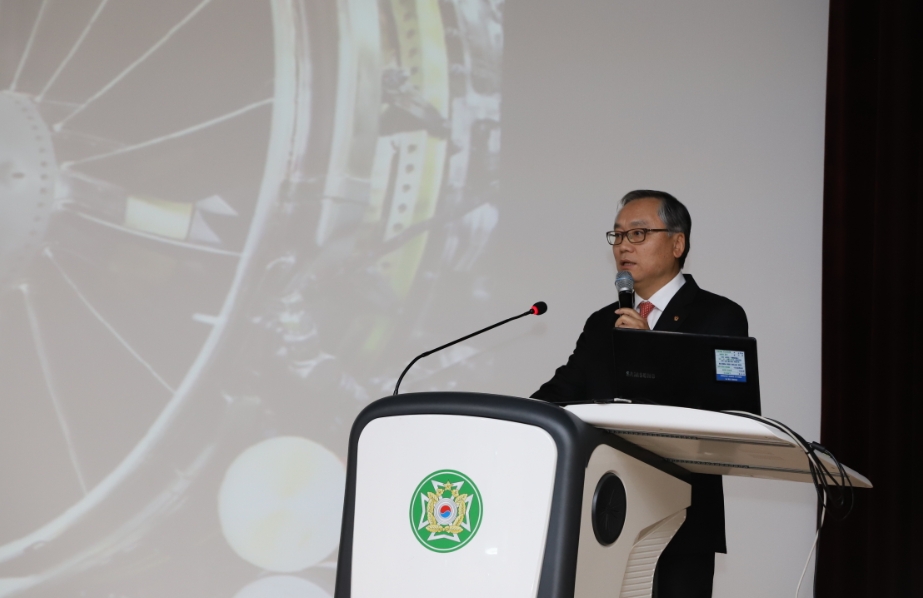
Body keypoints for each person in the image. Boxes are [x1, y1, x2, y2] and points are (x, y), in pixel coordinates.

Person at [531, 190, 748, 598]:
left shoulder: (719, 315)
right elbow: (564, 390)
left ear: (678, 243)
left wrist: (650, 352)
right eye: (616, 236)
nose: (623, 246)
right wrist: (513, 415)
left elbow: (727, 410)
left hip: (682, 517)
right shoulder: (602, 323)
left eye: (638, 233)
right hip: (605, 510)